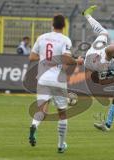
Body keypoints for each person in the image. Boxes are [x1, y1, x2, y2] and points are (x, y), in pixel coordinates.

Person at [28, 14, 83, 153]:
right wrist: (78, 61)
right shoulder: (65, 40)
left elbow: (32, 57)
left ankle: (34, 125)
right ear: (64, 25)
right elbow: (66, 59)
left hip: (42, 79)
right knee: (62, 114)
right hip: (58, 80)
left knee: (42, 110)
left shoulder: (41, 37)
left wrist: (44, 58)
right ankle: (60, 145)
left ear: (52, 24)